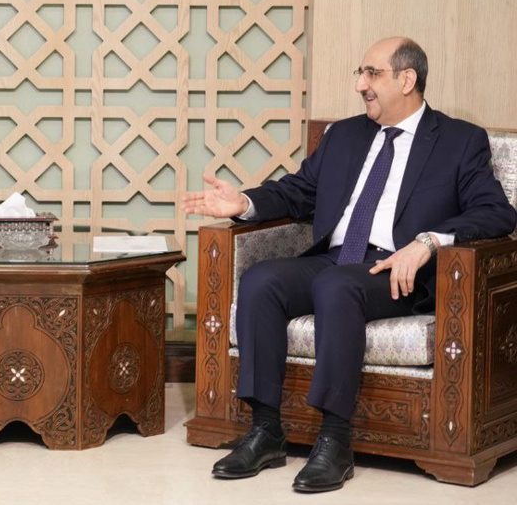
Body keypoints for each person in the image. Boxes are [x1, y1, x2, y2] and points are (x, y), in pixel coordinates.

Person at [180, 37, 516, 493]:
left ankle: (335, 442)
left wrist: (428, 242)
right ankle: (266, 431)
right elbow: (298, 192)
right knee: (262, 281)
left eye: (372, 74)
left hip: (396, 271)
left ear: (407, 79)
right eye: (360, 74)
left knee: (337, 287)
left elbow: (497, 212)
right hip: (336, 259)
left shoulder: (458, 140)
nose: (361, 84)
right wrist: (244, 201)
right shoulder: (344, 134)